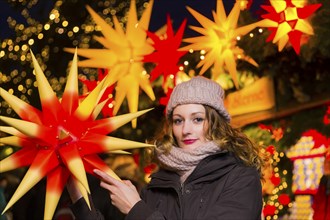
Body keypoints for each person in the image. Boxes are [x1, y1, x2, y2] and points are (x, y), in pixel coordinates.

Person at [69, 76, 265, 220]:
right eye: (178, 121)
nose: (186, 130)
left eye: (197, 119)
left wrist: (136, 208)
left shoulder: (241, 179)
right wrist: (77, 195)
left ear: (215, 123)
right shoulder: (159, 183)